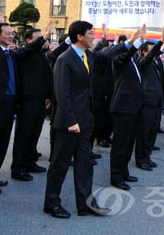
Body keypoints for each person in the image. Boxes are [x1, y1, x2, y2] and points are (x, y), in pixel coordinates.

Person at [44, 21, 132, 218]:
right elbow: (62, 93)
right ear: (79, 37)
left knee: (84, 164)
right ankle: (52, 203)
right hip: (68, 123)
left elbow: (105, 54)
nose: (93, 36)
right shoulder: (64, 59)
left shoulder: (87, 56)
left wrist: (129, 43)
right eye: (90, 33)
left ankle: (86, 205)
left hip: (85, 120)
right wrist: (70, 121)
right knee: (59, 165)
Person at [0, 8, 51, 194]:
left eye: (12, 34)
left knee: (1, 143)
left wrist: (45, 38)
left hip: (9, 104)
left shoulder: (12, 54)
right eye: (7, 33)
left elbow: (31, 50)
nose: (10, 36)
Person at [109, 24, 147, 191]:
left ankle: (124, 172)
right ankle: (116, 177)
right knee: (120, 144)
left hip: (134, 108)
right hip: (122, 108)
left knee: (128, 143)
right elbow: (124, 56)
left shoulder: (133, 61)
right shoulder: (119, 60)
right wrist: (135, 42)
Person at [11, 28, 53, 178]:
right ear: (29, 40)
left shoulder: (41, 55)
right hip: (27, 100)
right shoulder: (23, 53)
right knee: (24, 134)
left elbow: (46, 76)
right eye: (38, 38)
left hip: (41, 100)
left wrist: (48, 96)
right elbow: (28, 50)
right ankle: (18, 167)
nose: (42, 40)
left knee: (34, 133)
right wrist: (44, 38)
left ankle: (30, 162)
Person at [134, 34, 164, 172]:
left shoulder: (154, 63)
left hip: (156, 103)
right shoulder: (142, 62)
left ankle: (147, 157)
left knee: (152, 133)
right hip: (146, 103)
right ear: (144, 52)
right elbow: (149, 56)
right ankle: (140, 160)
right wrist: (160, 42)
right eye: (151, 50)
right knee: (143, 133)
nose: (154, 52)